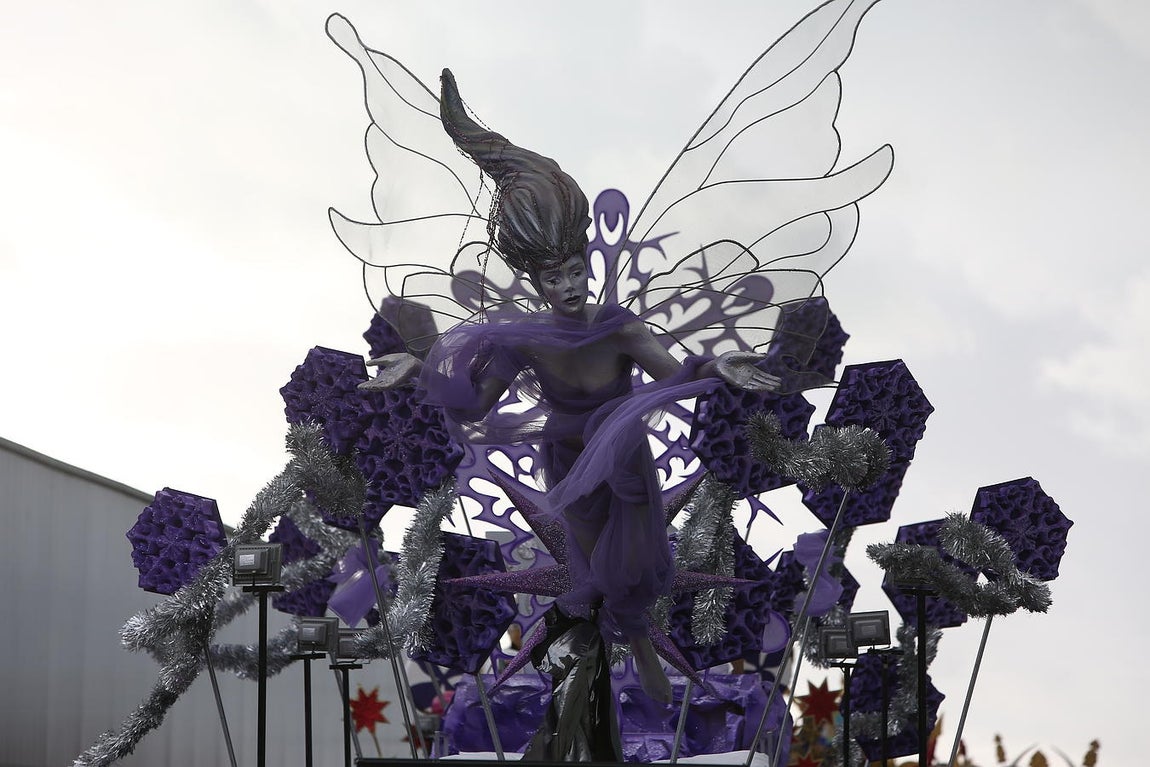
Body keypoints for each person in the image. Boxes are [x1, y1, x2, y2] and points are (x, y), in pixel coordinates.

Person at [363, 69, 777, 755]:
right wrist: (424, 367)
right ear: (532, 279)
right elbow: (477, 398)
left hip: (623, 457)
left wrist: (721, 366)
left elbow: (675, 372)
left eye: (575, 270)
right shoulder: (524, 336)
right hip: (566, 457)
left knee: (633, 565)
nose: (568, 286)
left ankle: (633, 632)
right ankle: (608, 628)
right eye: (552, 278)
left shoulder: (616, 325)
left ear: (588, 259)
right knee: (594, 567)